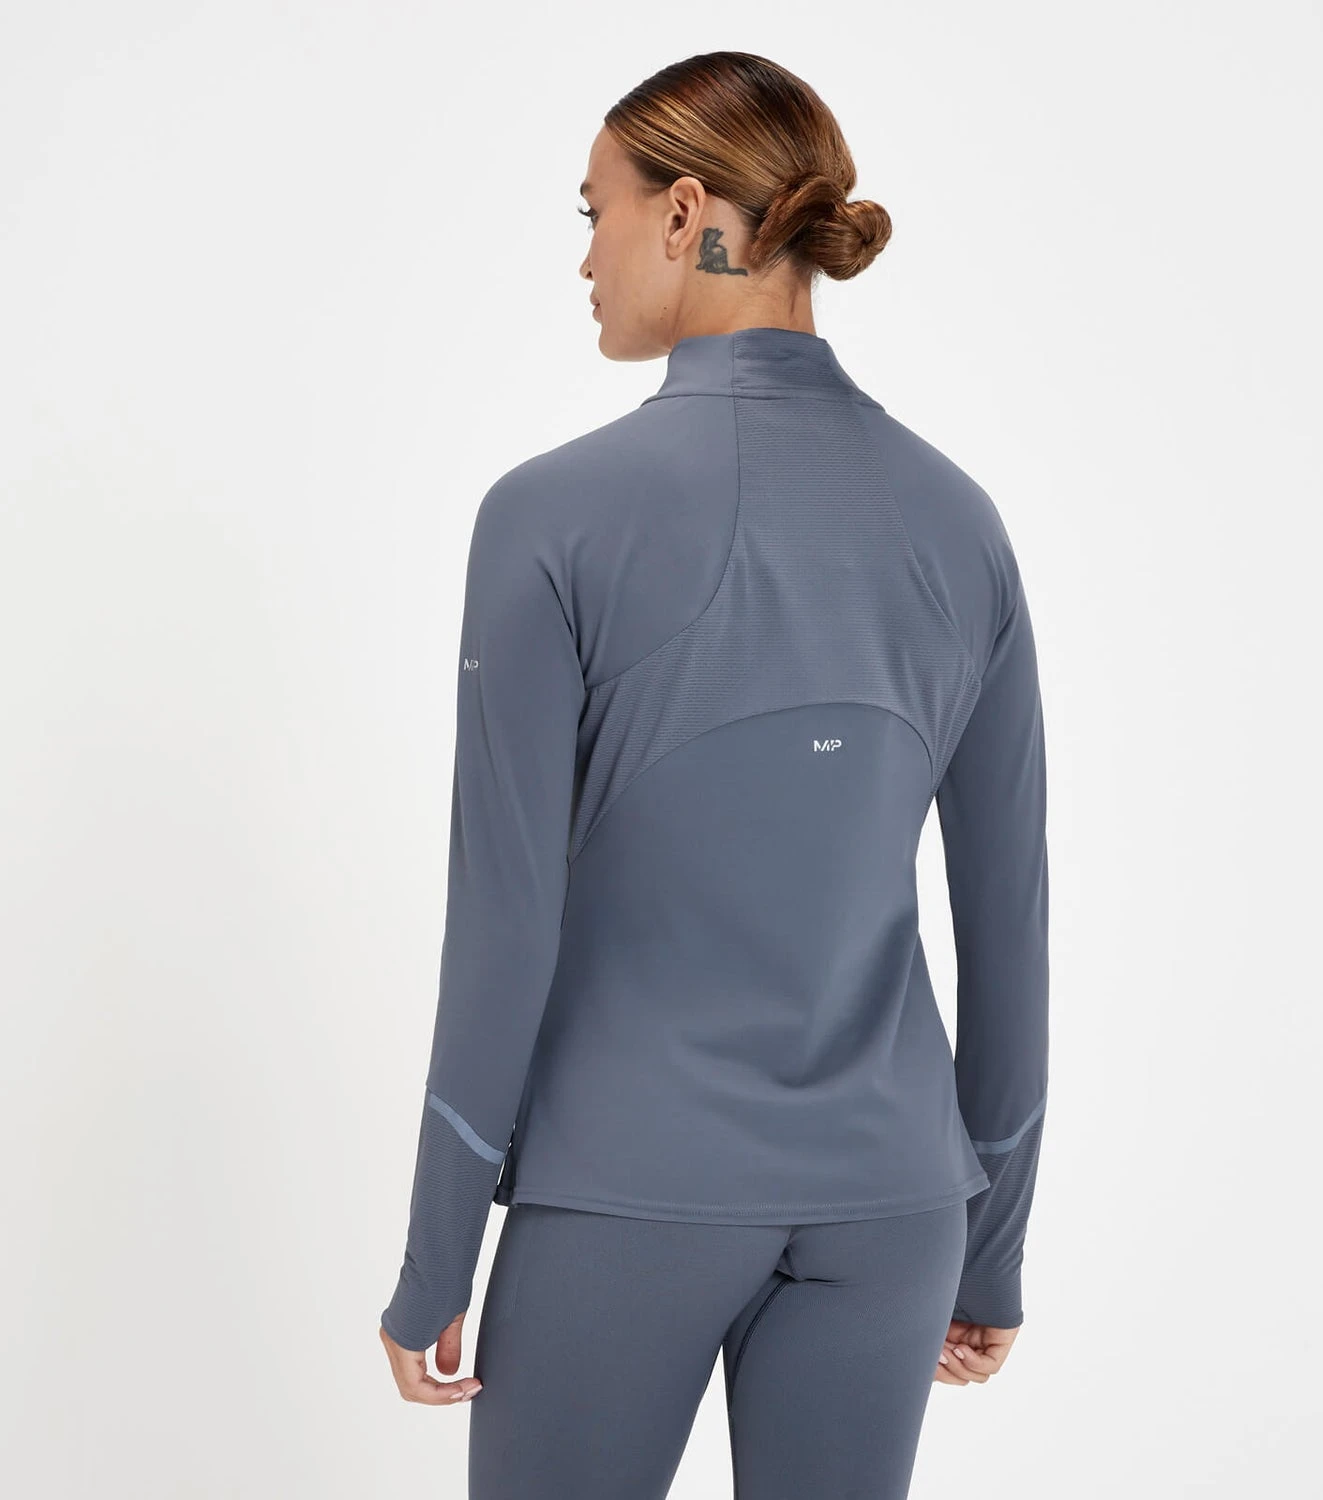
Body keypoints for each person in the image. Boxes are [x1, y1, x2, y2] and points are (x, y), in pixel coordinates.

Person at [376, 50, 1050, 1500]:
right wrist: (991, 1248)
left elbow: (503, 925)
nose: (585, 259)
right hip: (894, 1209)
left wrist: (437, 1256)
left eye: (594, 213)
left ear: (685, 215)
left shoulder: (548, 518)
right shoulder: (961, 521)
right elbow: (1011, 923)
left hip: (629, 1195)